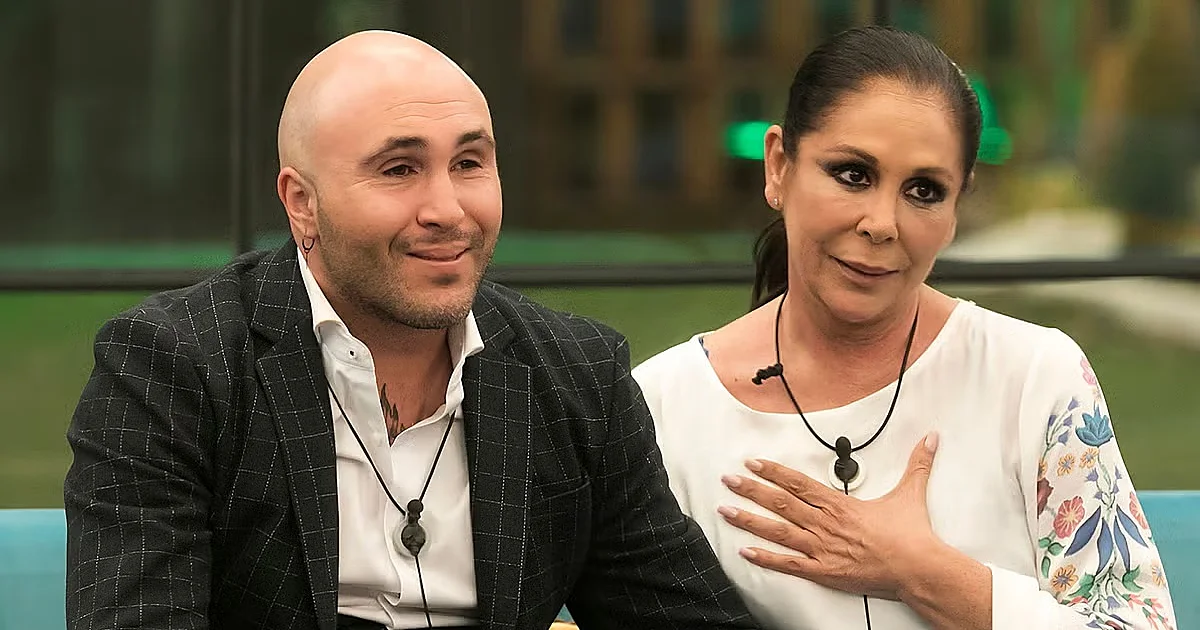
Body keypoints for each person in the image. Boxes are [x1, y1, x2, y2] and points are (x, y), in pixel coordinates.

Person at [63, 31, 759, 630]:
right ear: (302, 203)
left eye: (469, 164)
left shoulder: (578, 375)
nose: (447, 209)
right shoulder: (173, 367)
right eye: (399, 170)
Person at [632, 26, 1177, 630]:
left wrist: (923, 574)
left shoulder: (1033, 377)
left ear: (955, 210)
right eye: (852, 174)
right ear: (779, 166)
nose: (882, 223)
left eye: (923, 190)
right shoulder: (660, 408)